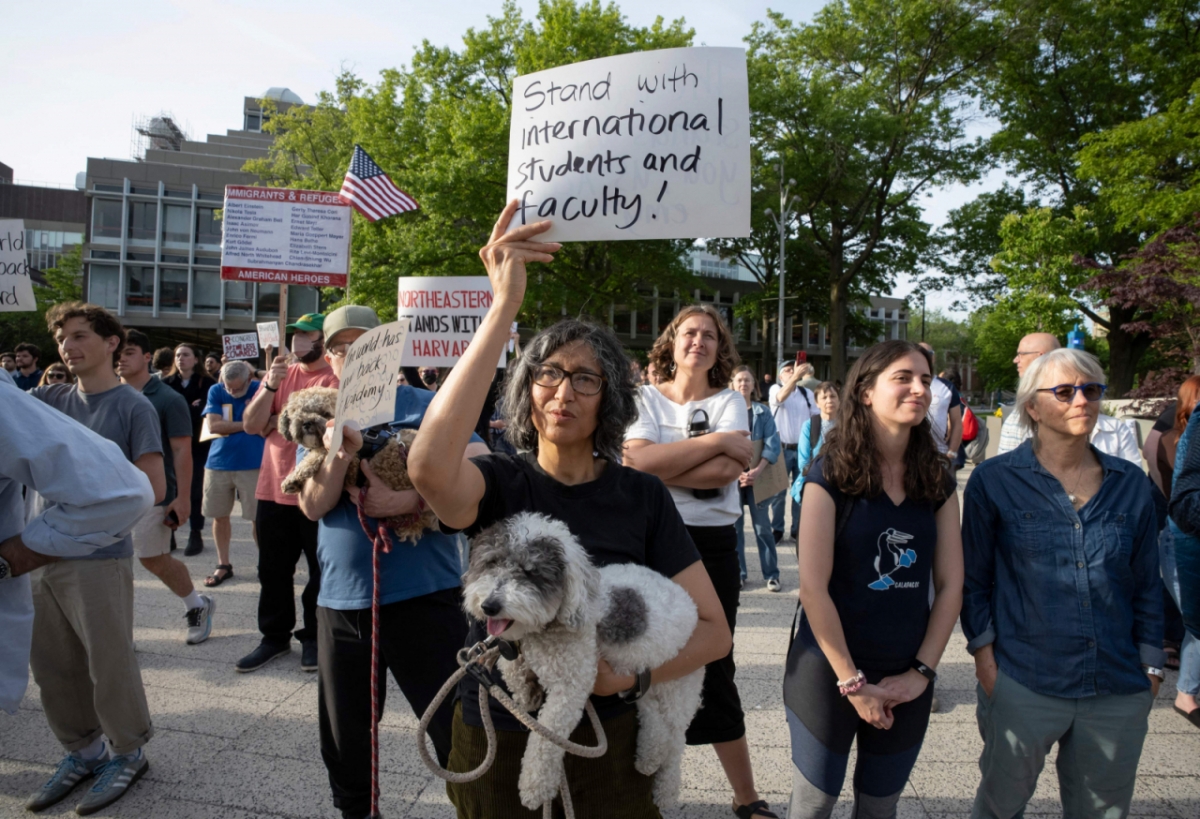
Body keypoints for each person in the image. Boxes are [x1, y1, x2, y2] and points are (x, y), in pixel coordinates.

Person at [409, 202, 732, 819]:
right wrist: (501, 309)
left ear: (611, 399)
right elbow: (426, 469)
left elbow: (713, 633)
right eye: (548, 374)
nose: (563, 392)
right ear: (526, 390)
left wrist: (628, 681)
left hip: (610, 741)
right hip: (498, 729)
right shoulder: (498, 483)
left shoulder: (643, 495)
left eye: (586, 379)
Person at [295, 304, 488, 819]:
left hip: (426, 594)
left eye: (364, 346)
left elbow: (481, 462)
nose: (351, 357)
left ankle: (477, 804)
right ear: (330, 359)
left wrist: (410, 501)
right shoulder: (316, 414)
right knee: (347, 735)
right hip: (342, 602)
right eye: (340, 349)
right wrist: (338, 449)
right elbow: (312, 504)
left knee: (456, 722)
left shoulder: (427, 402)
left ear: (388, 351)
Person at [962, 348, 1163, 819]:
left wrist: (1151, 670)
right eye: (1065, 391)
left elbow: (1147, 584)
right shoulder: (995, 480)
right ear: (1033, 407)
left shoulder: (1131, 485)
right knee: (999, 806)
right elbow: (974, 581)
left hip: (1116, 683)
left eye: (1091, 391)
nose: (1082, 401)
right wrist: (986, 661)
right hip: (1025, 678)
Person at [787, 341, 962, 819]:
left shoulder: (937, 480)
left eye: (926, 379)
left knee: (880, 806)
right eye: (903, 377)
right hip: (828, 671)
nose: (919, 388)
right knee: (814, 803)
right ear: (865, 392)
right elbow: (812, 589)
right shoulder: (830, 474)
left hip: (907, 672)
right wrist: (853, 683)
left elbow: (950, 585)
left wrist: (920, 673)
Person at [625, 306, 771, 818]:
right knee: (641, 657)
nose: (699, 341)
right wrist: (713, 444)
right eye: (689, 332)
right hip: (650, 543)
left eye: (709, 335)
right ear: (671, 341)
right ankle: (639, 788)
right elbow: (635, 463)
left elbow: (727, 472)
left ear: (719, 348)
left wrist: (666, 461)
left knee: (716, 659)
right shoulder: (643, 397)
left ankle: (746, 796)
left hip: (711, 546)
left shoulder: (732, 399)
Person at [24, 302, 166, 815]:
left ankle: (127, 750)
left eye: (81, 335)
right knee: (52, 663)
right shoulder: (46, 399)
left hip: (98, 556)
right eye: (63, 338)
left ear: (112, 343)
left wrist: (96, 527)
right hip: (37, 552)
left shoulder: (134, 407)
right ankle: (82, 752)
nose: (69, 346)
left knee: (108, 661)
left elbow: (153, 485)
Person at [238, 313, 338, 673]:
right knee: (272, 569)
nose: (298, 342)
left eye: (307, 335)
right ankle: (274, 637)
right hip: (273, 487)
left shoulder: (336, 375)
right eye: (294, 335)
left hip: (317, 490)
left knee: (319, 569)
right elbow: (252, 425)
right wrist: (268, 387)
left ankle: (313, 636)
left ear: (323, 340)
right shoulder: (281, 373)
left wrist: (273, 423)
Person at [118, 330, 216, 644]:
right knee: (112, 565)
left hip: (154, 494)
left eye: (129, 351)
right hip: (109, 495)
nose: (120, 357)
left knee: (152, 558)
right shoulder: (106, 393)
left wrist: (183, 498)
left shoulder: (168, 399)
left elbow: (181, 451)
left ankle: (197, 605)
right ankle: (121, 635)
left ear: (147, 356)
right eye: (117, 351)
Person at [200, 360, 265, 588]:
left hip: (253, 463)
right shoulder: (216, 390)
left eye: (237, 388)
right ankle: (223, 563)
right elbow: (214, 425)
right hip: (218, 463)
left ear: (249, 379)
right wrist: (249, 425)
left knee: (258, 519)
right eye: (229, 387)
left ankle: (264, 563)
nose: (232, 392)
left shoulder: (260, 388)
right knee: (219, 515)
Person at [1160, 376, 1200, 727]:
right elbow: (1182, 500)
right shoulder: (1180, 437)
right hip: (1181, 535)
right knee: (1192, 618)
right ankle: (1186, 693)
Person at [729, 365, 782, 591]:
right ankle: (740, 573)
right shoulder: (726, 411)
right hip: (732, 478)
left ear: (753, 385)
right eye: (739, 380)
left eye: (747, 380)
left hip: (758, 477)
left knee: (762, 528)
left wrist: (757, 471)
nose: (743, 384)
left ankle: (771, 574)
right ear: (732, 384)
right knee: (735, 527)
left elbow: (773, 444)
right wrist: (737, 472)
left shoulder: (763, 412)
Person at [163, 344, 217, 556]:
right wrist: (190, 406)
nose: (180, 359)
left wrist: (192, 408)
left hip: (198, 446)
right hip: (170, 445)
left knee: (195, 490)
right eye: (177, 355)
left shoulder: (208, 384)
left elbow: (207, 412)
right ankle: (171, 531)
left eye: (186, 355)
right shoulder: (166, 383)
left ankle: (195, 533)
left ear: (196, 359)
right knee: (171, 489)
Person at [769, 361, 819, 543]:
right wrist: (796, 377)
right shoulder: (775, 389)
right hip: (781, 448)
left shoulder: (807, 394)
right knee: (778, 493)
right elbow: (780, 398)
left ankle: (798, 530)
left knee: (802, 492)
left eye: (794, 369)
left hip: (803, 450)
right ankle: (777, 529)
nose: (792, 372)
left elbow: (817, 418)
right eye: (787, 371)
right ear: (780, 376)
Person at [996, 333, 1060, 454]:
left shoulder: (1062, 406)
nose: (1016, 360)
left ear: (1041, 357)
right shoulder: (1027, 397)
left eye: (1021, 354)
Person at [789, 381, 839, 504]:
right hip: (815, 480)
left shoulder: (847, 425)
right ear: (817, 403)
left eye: (833, 396)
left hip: (841, 482)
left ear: (839, 400)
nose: (829, 401)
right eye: (824, 397)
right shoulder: (809, 425)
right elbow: (803, 462)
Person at [918, 344, 963, 466]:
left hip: (939, 457)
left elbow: (957, 422)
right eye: (920, 352)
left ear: (934, 357)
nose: (925, 356)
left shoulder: (947, 387)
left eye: (929, 353)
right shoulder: (906, 386)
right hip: (910, 456)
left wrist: (952, 452)